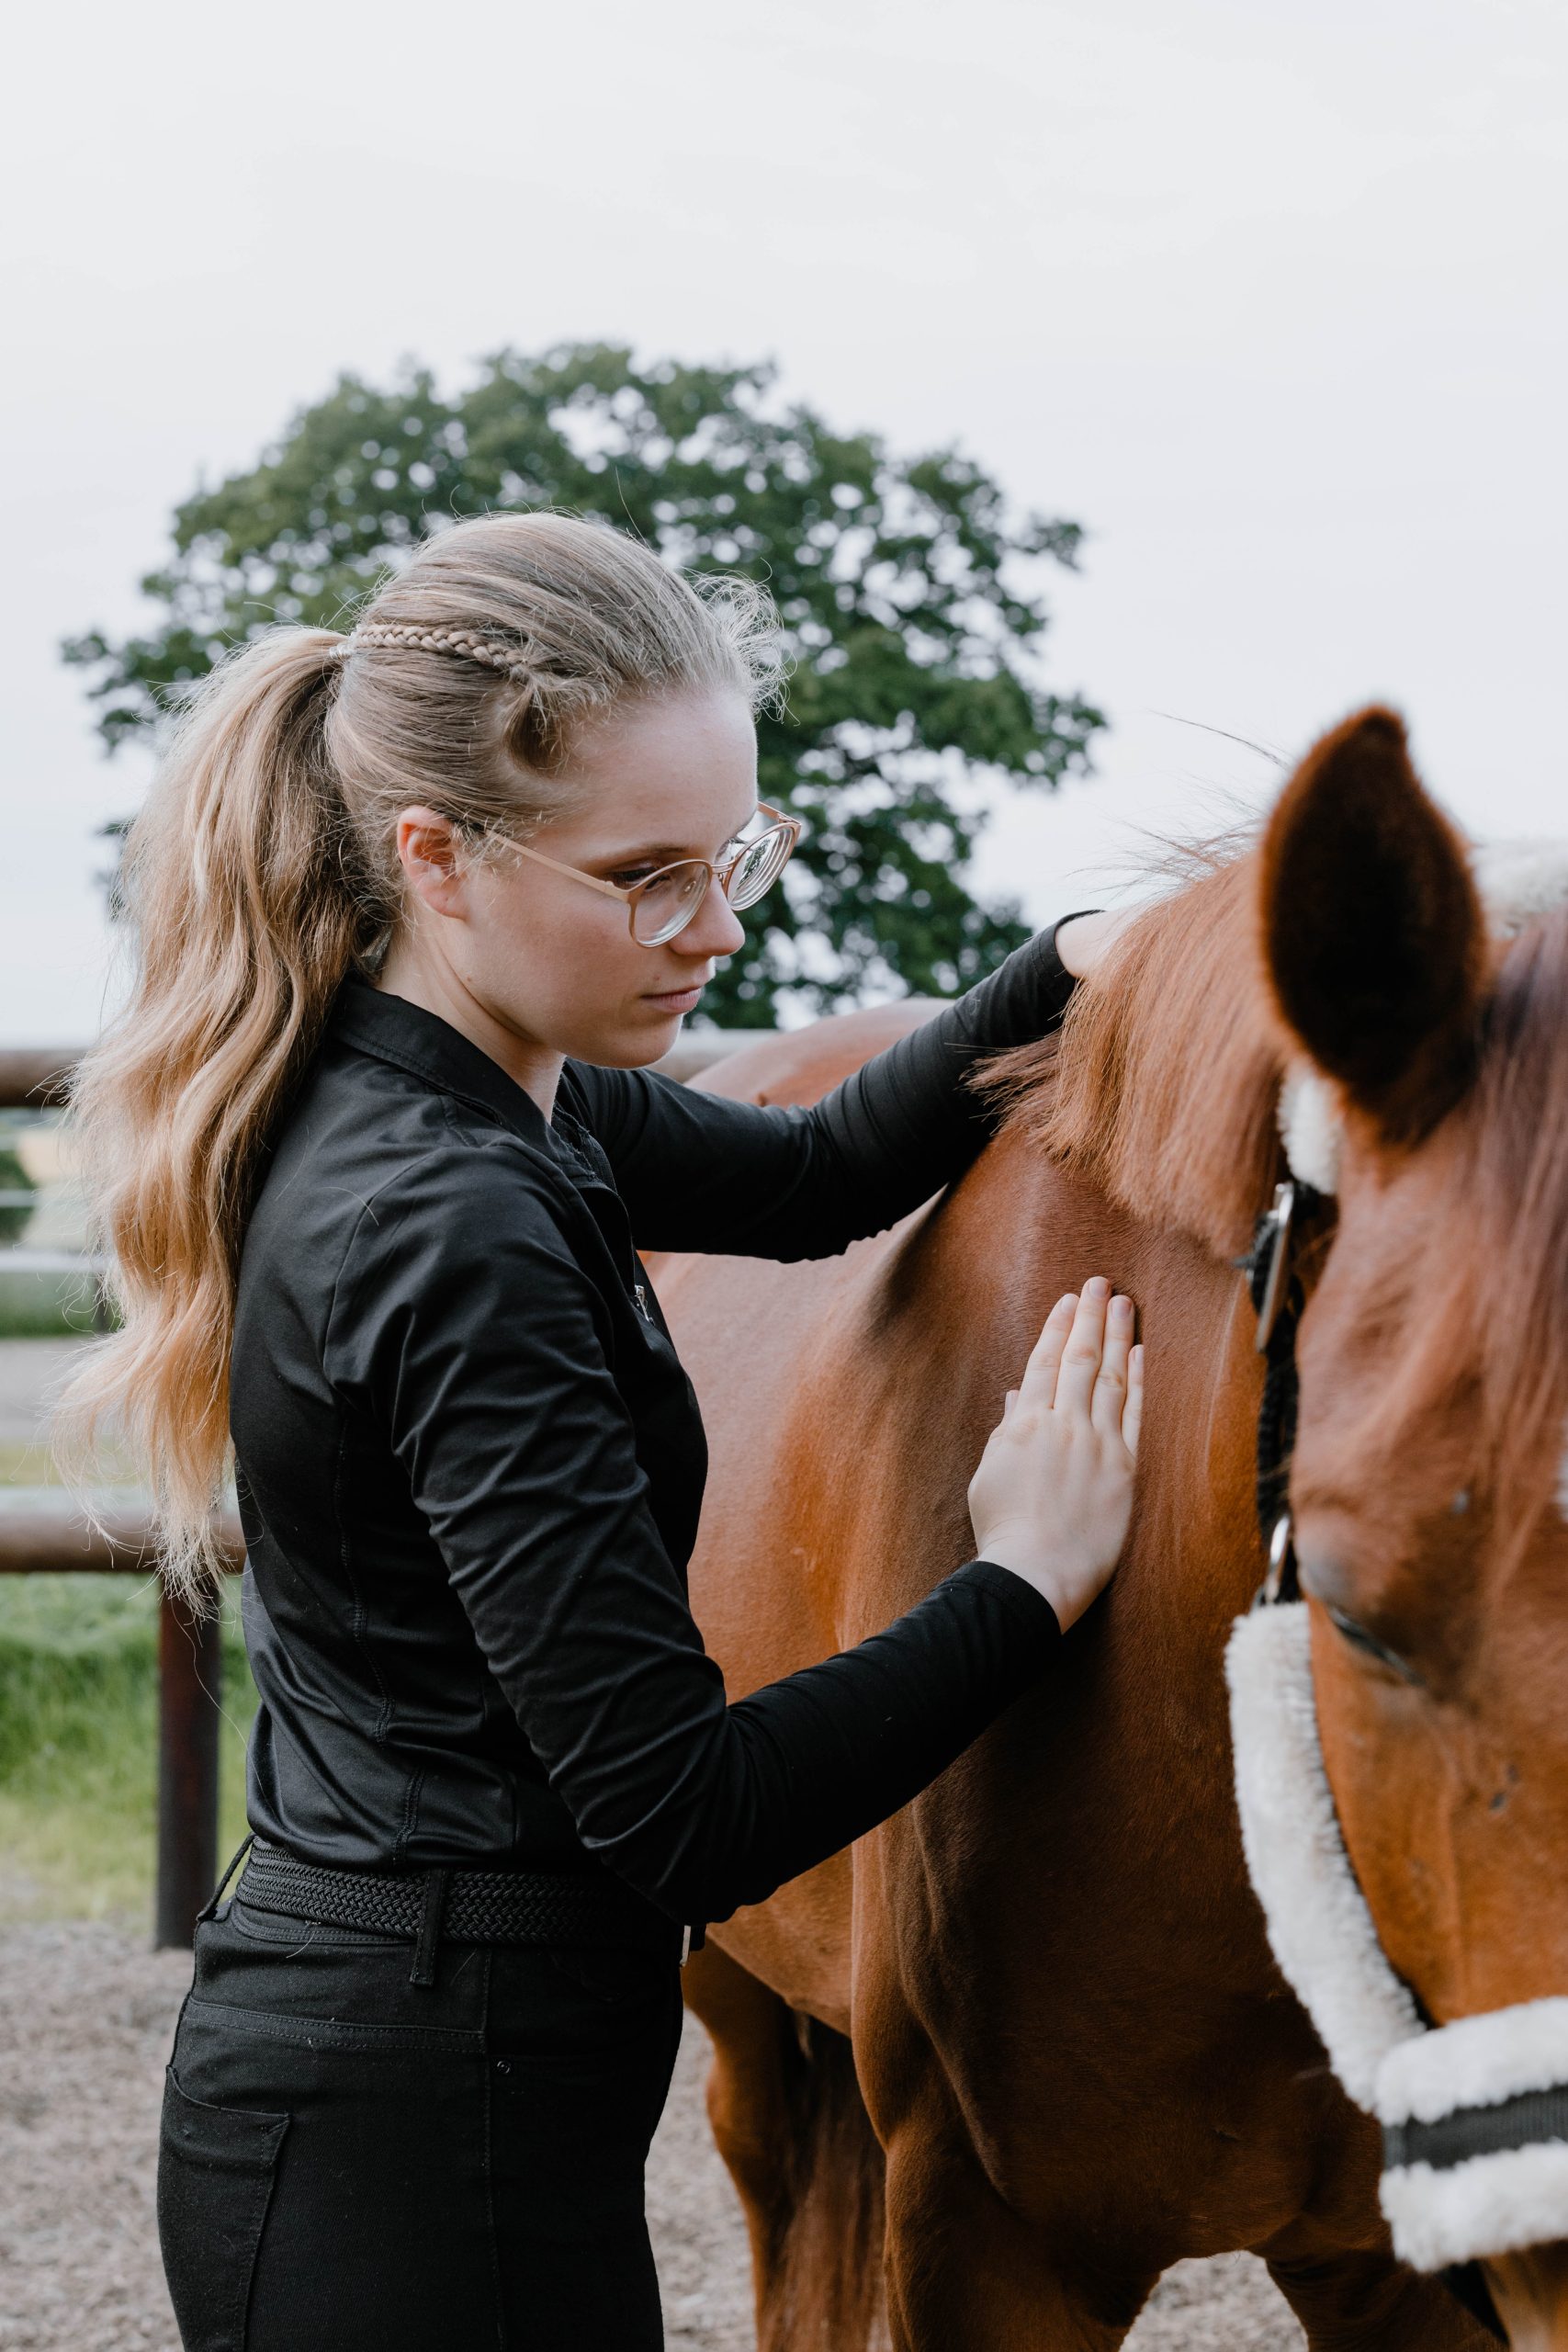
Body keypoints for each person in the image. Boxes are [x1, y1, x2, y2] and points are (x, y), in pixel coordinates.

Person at [62, 513, 1143, 2351]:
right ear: (434, 855)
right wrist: (1021, 1579)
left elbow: (821, 1174)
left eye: (728, 855)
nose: (712, 927)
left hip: (453, 2083)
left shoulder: (504, 1091)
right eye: (645, 874)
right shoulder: (450, 1217)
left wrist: (1070, 953)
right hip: (408, 2140)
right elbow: (675, 1809)